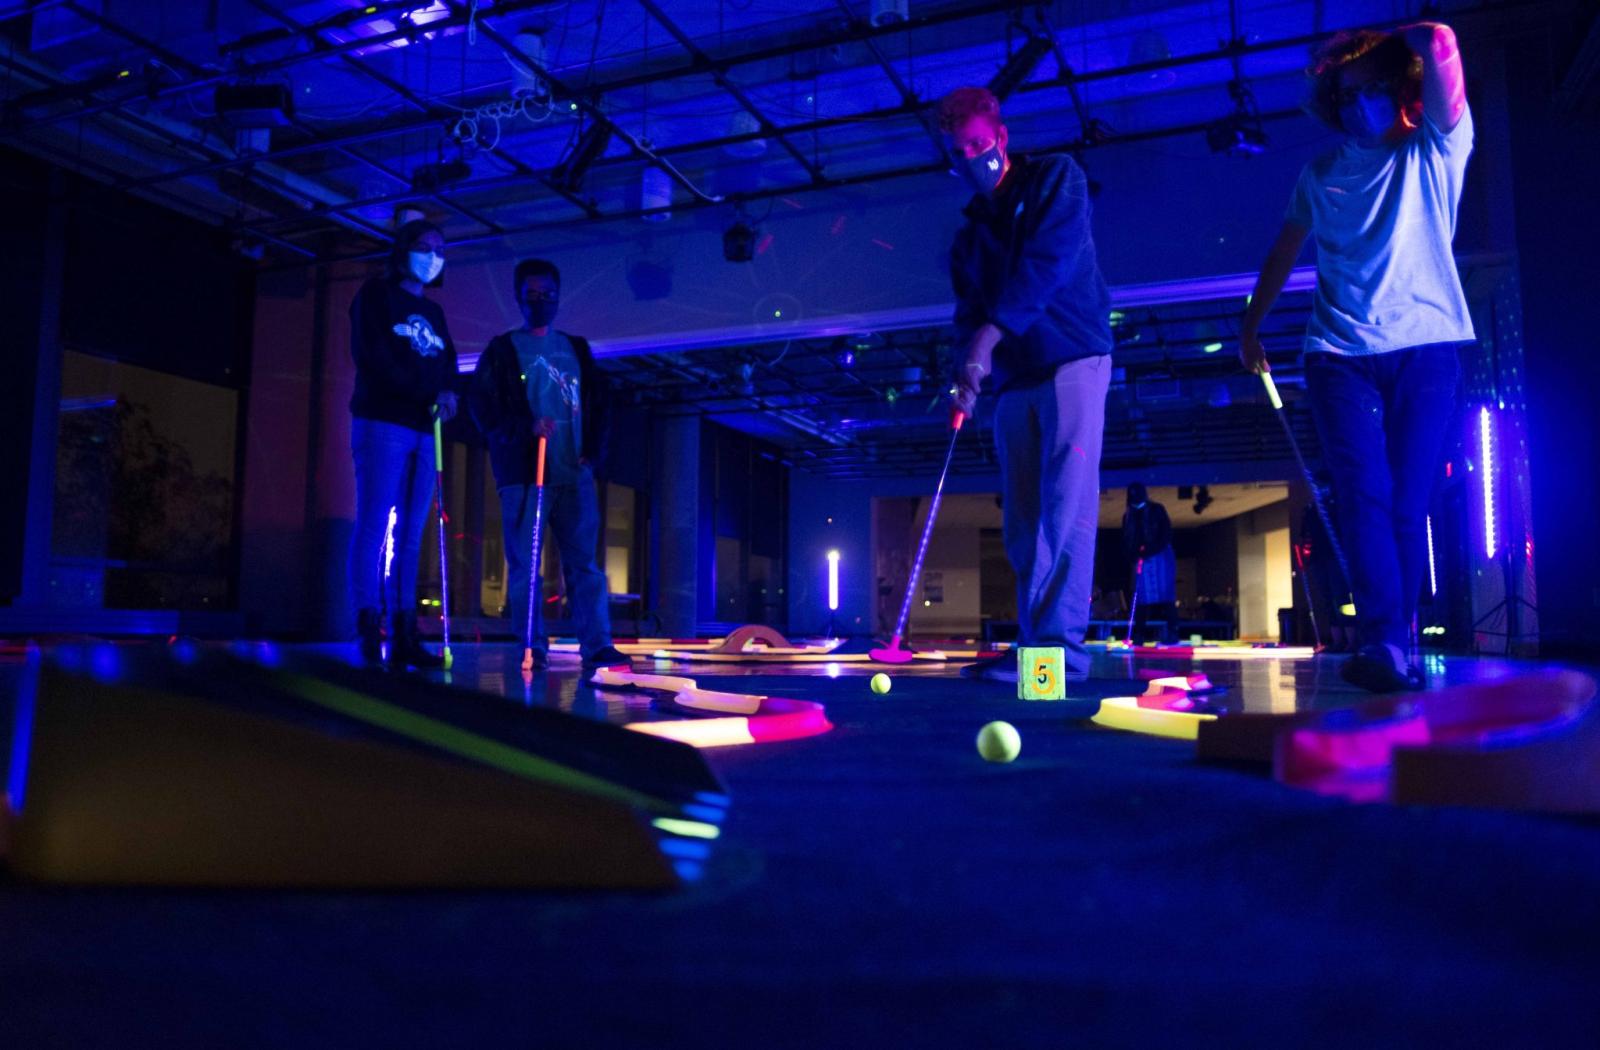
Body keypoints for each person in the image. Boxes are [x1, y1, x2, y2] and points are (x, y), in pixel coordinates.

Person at [1240, 22, 1471, 692]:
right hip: (1338, 352)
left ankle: (1396, 636)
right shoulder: (1320, 174)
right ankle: (1382, 644)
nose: (1355, 104)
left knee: (1407, 503)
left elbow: (1444, 45)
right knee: (1364, 497)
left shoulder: (1436, 148)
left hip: (1427, 350)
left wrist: (1389, 39)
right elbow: (1284, 249)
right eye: (1343, 96)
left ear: (1399, 86)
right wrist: (1252, 324)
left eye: (1367, 89)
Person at [939, 86, 1114, 684]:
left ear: (1001, 139)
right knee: (1023, 519)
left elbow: (1046, 269)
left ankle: (1061, 656)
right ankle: (1034, 652)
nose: (970, 159)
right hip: (1013, 379)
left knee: (1066, 508)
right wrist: (963, 373)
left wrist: (985, 343)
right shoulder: (968, 238)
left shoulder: (1054, 180)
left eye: (978, 146)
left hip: (1073, 359)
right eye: (958, 152)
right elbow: (967, 315)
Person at [469, 258, 630, 672]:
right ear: (519, 298)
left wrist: (592, 452)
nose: (542, 301)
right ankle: (532, 646)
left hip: (572, 474)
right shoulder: (502, 350)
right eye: (533, 295)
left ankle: (597, 646)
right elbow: (482, 408)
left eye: (549, 294)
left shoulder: (575, 348)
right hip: (525, 476)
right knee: (525, 567)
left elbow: (599, 404)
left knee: (585, 568)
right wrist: (525, 427)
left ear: (559, 296)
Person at [348, 219, 458, 668]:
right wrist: (423, 390)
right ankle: (368, 625)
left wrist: (449, 394)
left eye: (440, 249)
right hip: (383, 419)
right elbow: (372, 356)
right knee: (375, 523)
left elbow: (447, 362)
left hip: (425, 426)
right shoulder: (375, 295)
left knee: (413, 533)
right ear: (403, 249)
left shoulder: (434, 314)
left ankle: (406, 628)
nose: (432, 255)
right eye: (423, 246)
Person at [1122, 483, 1176, 644]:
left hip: (1160, 557)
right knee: (1141, 597)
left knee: (1166, 595)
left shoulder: (1157, 510)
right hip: (1141, 559)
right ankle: (1138, 634)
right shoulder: (1129, 515)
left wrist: (1151, 549)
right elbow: (1127, 540)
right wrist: (1135, 554)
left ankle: (1173, 632)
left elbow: (1165, 533)